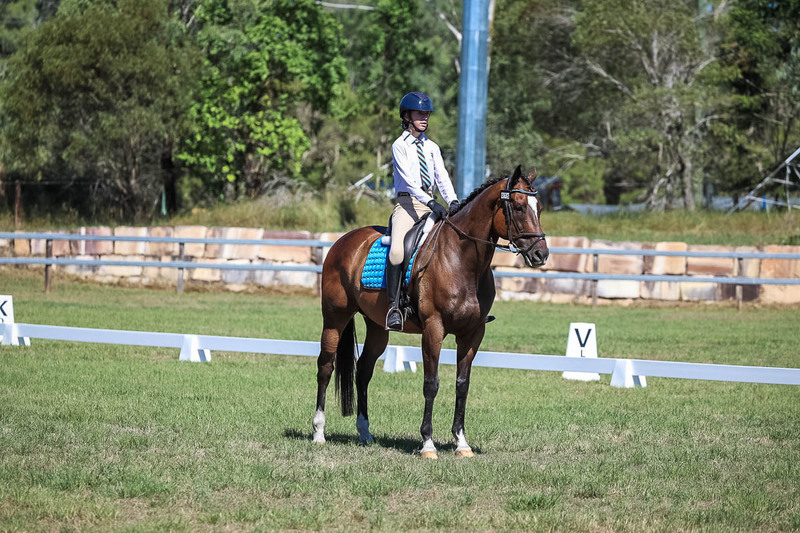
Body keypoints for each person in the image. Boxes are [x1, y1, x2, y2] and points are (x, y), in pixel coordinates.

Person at [385, 91, 459, 331]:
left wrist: (453, 200)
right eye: (420, 113)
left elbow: (442, 177)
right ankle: (394, 307)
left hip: (433, 205)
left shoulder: (432, 147)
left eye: (427, 114)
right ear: (406, 116)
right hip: (409, 205)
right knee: (397, 251)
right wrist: (429, 202)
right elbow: (408, 181)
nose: (425, 118)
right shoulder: (400, 146)